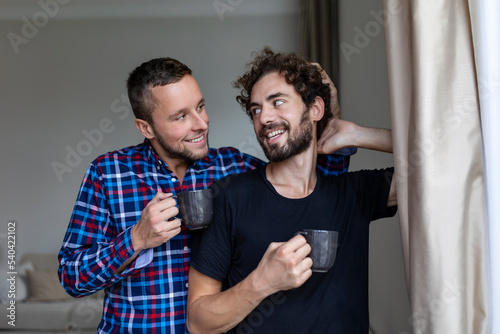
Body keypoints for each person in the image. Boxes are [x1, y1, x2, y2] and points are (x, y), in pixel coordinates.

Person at [57, 56, 354, 333]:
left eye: (200, 106)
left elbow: (315, 190)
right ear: (146, 127)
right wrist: (135, 239)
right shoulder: (108, 173)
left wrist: (331, 113)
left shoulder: (234, 167)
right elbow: (72, 277)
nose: (201, 124)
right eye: (180, 117)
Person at [186, 47, 397, 334]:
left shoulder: (355, 194)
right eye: (256, 109)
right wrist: (262, 282)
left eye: (277, 102)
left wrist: (358, 134)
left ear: (315, 109)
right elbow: (198, 322)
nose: (264, 118)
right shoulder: (229, 197)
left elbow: (447, 160)